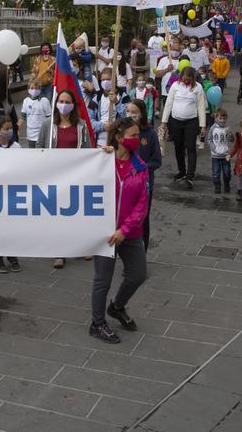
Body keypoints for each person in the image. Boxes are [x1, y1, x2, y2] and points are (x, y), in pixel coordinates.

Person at [89, 117, 149, 344]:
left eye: (137, 135)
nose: (137, 140)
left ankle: (117, 306)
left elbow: (142, 204)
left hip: (129, 233)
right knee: (102, 280)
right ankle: (97, 323)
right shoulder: (103, 161)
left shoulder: (140, 167)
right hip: (105, 233)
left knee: (138, 274)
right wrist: (98, 157)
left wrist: (124, 229)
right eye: (133, 136)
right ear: (119, 137)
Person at [37, 88, 93, 269]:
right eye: (61, 101)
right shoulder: (48, 124)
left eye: (68, 102)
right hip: (54, 177)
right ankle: (59, 251)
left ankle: (82, 245)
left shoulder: (82, 125)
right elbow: (39, 147)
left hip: (75, 177)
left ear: (73, 105)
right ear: (56, 103)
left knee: (77, 212)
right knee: (57, 214)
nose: (64, 105)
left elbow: (88, 149)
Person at [160, 66, 206, 188]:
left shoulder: (198, 88)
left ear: (193, 78)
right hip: (176, 121)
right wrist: (164, 122)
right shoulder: (175, 86)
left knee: (190, 147)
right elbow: (168, 104)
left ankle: (190, 175)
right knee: (178, 147)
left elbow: (201, 107)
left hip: (191, 121)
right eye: (184, 78)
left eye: (188, 79)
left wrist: (203, 126)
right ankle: (182, 171)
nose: (186, 81)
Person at [125, 100, 161, 250]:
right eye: (128, 111)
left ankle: (142, 252)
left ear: (142, 114)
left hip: (144, 185)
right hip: (125, 183)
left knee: (142, 219)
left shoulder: (150, 134)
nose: (131, 115)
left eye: (134, 112)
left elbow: (156, 161)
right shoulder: (122, 132)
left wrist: (140, 168)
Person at [0, 115, 21, 273]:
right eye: (6, 129)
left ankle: (12, 256)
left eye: (11, 128)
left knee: (12, 227)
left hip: (13, 194)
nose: (10, 131)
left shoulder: (17, 147)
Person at [88, 68, 126, 147]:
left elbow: (128, 118)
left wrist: (117, 103)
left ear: (115, 80)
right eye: (103, 80)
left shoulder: (124, 97)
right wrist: (102, 126)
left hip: (118, 143)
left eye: (108, 79)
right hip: (99, 143)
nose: (105, 82)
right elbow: (89, 121)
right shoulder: (96, 99)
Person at [206, 107, 234, 194]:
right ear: (216, 118)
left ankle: (226, 185)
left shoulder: (227, 128)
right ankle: (217, 186)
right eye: (220, 118)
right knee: (216, 173)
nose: (222, 120)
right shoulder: (213, 128)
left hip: (226, 155)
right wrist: (214, 148)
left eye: (224, 118)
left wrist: (230, 133)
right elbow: (209, 139)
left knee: (227, 172)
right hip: (215, 155)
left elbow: (232, 140)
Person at [19, 80, 51, 149]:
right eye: (32, 88)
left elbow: (49, 118)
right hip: (30, 135)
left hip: (42, 134)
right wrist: (17, 127)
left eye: (37, 88)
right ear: (28, 89)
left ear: (40, 89)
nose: (34, 90)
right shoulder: (26, 101)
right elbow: (22, 117)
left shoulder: (45, 101)